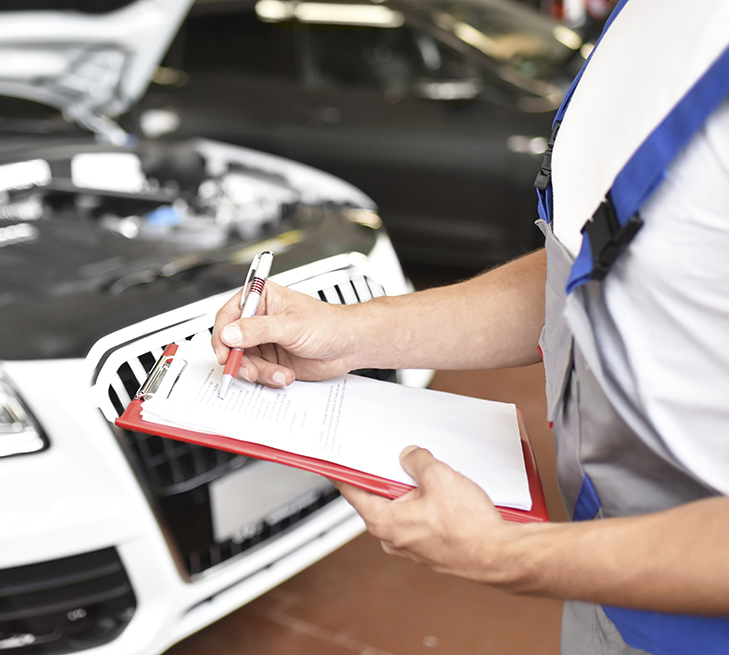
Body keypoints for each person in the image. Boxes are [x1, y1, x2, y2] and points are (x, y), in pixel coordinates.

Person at [210, 2, 729, 654]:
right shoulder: (648, 23)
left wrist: (507, 554)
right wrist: (350, 331)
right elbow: (598, 273)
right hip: (611, 583)